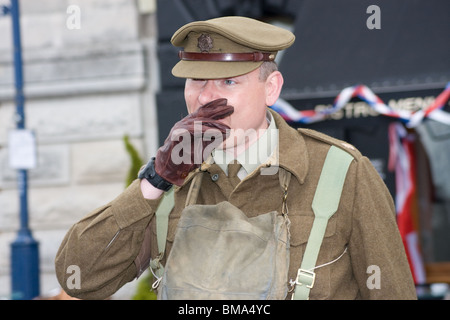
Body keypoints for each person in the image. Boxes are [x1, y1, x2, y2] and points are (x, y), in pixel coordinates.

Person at [55, 16, 417, 300]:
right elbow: (81, 276)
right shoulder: (167, 181)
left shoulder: (342, 173)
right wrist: (154, 181)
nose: (205, 98)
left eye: (229, 82)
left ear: (271, 88)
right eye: (196, 80)